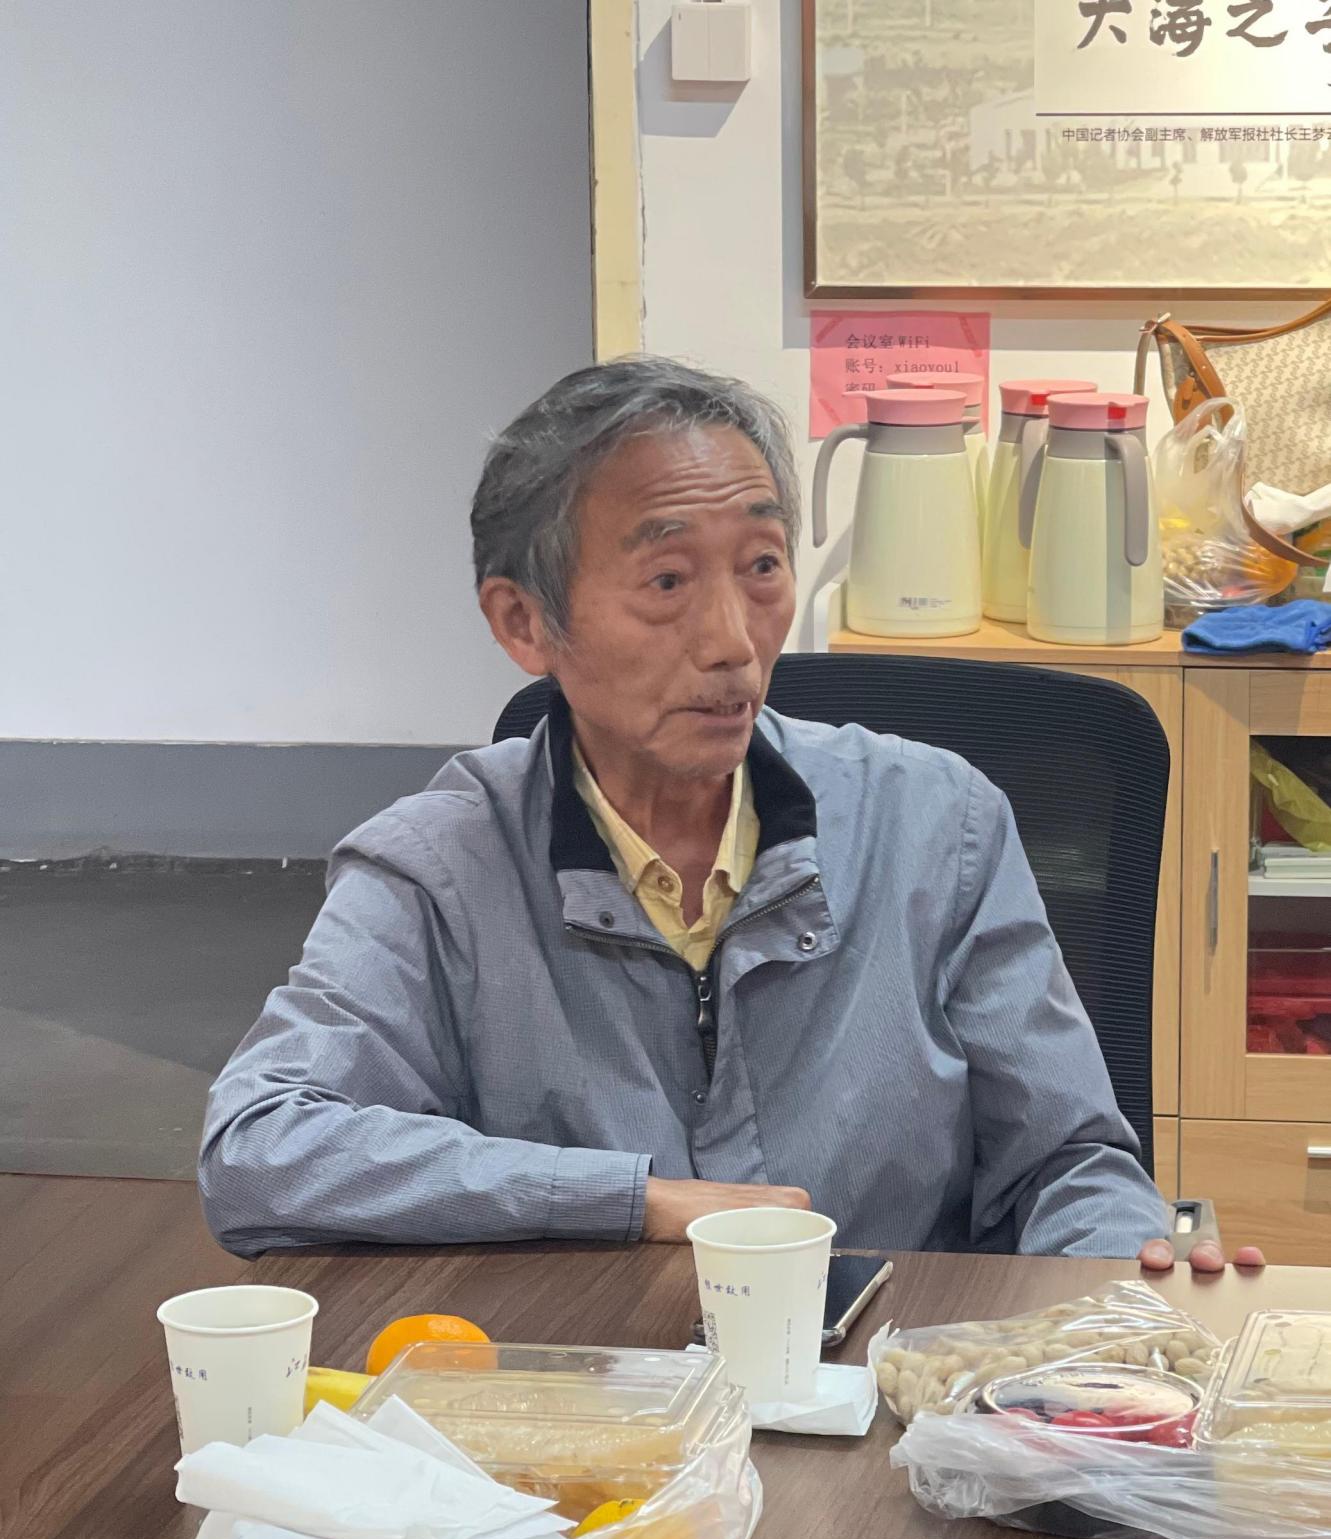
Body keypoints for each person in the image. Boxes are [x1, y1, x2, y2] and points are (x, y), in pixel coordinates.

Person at [199, 357, 1260, 1276]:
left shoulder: (939, 823)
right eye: (665, 580)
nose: (731, 641)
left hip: (891, 1388)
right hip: (591, 1392)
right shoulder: (439, 864)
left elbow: (1068, 1161)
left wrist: (1120, 1304)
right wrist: (632, 1201)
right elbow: (259, 1146)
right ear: (524, 623)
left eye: (760, 567)